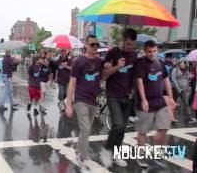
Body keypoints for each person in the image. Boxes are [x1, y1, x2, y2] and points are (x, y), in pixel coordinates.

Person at [100, 29, 138, 168]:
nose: (130, 47)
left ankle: (116, 155)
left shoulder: (134, 55)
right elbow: (104, 75)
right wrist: (117, 66)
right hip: (113, 95)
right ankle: (106, 150)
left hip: (127, 96)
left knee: (122, 129)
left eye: (132, 44)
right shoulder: (112, 53)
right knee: (117, 124)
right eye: (128, 44)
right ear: (123, 40)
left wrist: (133, 91)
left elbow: (134, 76)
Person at [134, 40, 175, 167]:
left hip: (160, 102)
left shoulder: (160, 63)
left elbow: (166, 80)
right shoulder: (141, 63)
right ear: (145, 51)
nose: (152, 54)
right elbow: (139, 81)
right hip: (146, 103)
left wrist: (171, 97)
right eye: (149, 51)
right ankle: (140, 156)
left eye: (154, 51)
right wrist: (144, 99)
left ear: (157, 50)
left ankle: (155, 152)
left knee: (164, 127)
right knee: (143, 131)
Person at [66, 35, 102, 168]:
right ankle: (83, 155)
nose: (95, 47)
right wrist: (69, 104)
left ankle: (78, 149)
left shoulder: (99, 62)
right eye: (92, 44)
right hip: (81, 100)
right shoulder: (79, 62)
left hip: (94, 100)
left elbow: (103, 76)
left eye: (97, 45)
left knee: (86, 129)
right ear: (86, 45)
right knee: (86, 128)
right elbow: (72, 83)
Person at [172, 58, 196, 123]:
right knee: (173, 103)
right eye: (182, 62)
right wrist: (178, 88)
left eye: (184, 63)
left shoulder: (186, 70)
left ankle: (190, 117)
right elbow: (173, 79)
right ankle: (171, 117)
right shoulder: (175, 70)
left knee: (186, 103)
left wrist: (189, 80)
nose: (183, 64)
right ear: (179, 63)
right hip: (176, 89)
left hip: (184, 89)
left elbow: (187, 79)